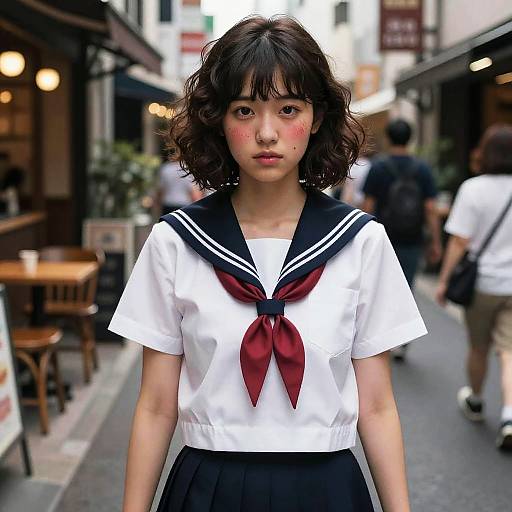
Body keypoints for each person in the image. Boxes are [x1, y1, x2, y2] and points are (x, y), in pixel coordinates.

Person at [109, 16, 427, 512]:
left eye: (288, 109)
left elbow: (379, 405)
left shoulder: (362, 243)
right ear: (218, 119)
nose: (266, 133)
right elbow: (154, 405)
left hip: (328, 488)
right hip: (208, 485)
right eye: (244, 110)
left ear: (317, 118)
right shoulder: (175, 242)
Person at [436, 124, 512, 451]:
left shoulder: (473, 189)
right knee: (509, 351)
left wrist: (443, 280)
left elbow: (459, 241)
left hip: (482, 284)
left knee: (478, 347)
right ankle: (509, 415)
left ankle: (477, 399)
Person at [362, 119, 442, 360]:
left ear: (388, 138)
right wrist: (436, 241)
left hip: (382, 236)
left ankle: (381, 336)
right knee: (405, 286)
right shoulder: (423, 169)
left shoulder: (378, 168)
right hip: (412, 237)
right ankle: (401, 340)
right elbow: (430, 208)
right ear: (410, 139)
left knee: (380, 286)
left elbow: (368, 206)